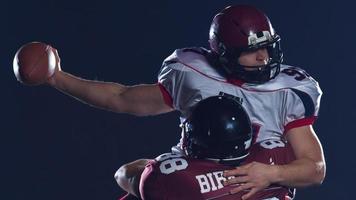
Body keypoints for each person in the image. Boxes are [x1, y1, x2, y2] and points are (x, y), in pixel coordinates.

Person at [45, 4, 325, 200]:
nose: (264, 57)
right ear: (225, 53)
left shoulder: (288, 90)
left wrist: (269, 174)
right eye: (252, 52)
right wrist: (57, 78)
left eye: (266, 47)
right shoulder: (193, 74)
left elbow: (314, 168)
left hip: (258, 179)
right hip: (196, 176)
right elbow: (122, 98)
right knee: (137, 176)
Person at [139, 95, 295, 200]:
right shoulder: (277, 154)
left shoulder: (174, 175)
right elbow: (315, 172)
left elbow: (124, 174)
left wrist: (149, 165)